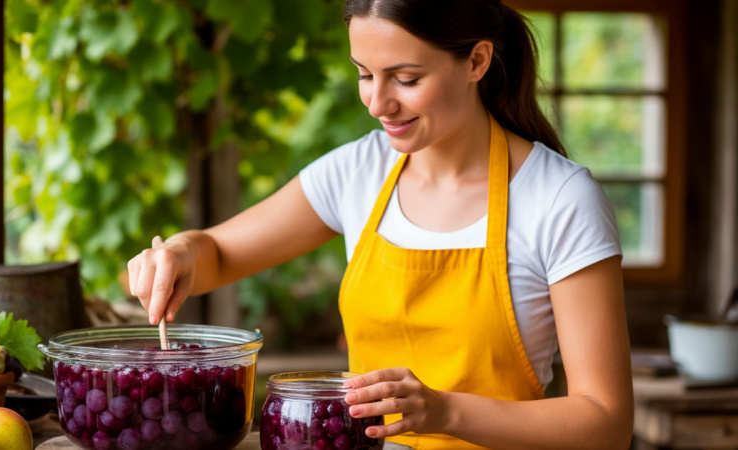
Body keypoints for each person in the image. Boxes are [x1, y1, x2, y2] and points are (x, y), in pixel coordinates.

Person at [127, 0, 634, 448]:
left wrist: (444, 412)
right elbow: (217, 254)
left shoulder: (560, 199)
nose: (377, 103)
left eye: (406, 79)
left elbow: (606, 423)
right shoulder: (357, 172)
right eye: (365, 74)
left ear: (477, 61)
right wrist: (180, 253)